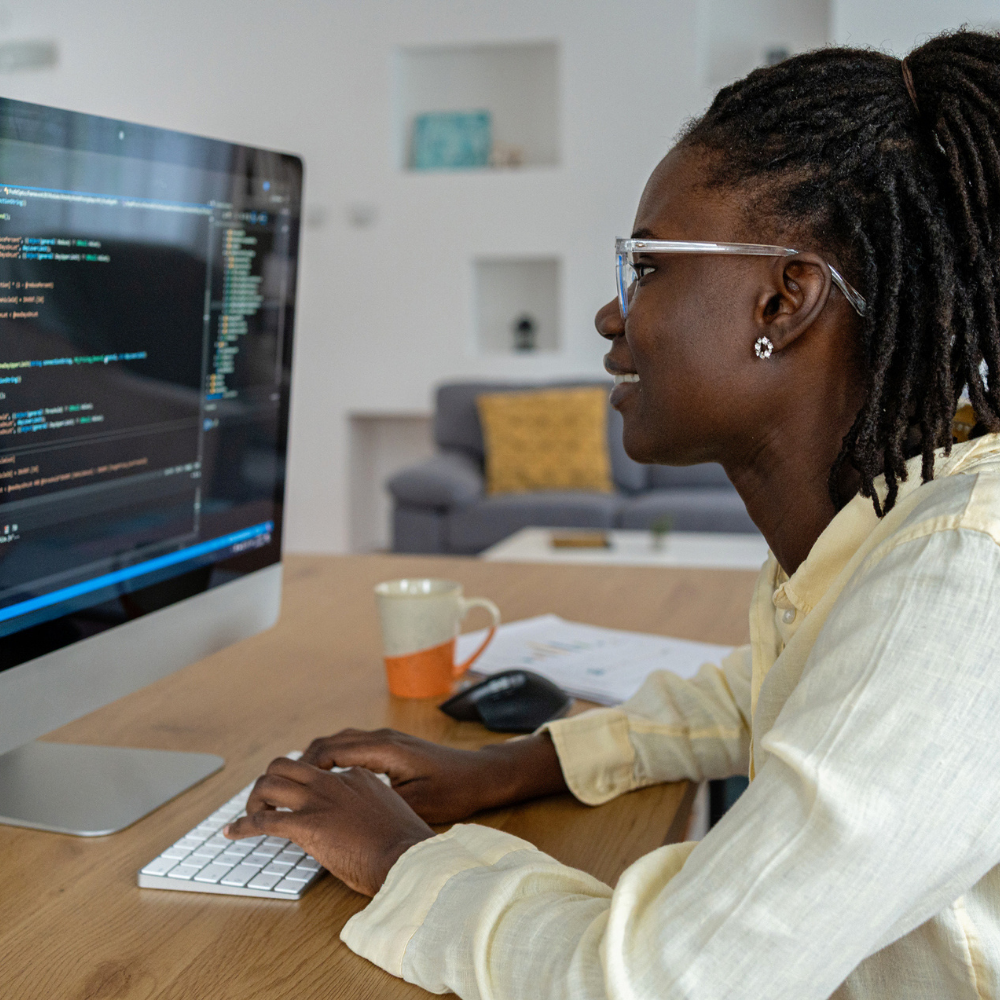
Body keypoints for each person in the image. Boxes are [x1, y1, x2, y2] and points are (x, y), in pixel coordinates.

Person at [225, 29, 1000, 999]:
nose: (611, 314)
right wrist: (510, 766)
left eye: (649, 266)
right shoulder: (887, 527)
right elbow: (766, 694)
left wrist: (401, 858)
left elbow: (669, 978)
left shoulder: (964, 575)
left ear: (783, 299)